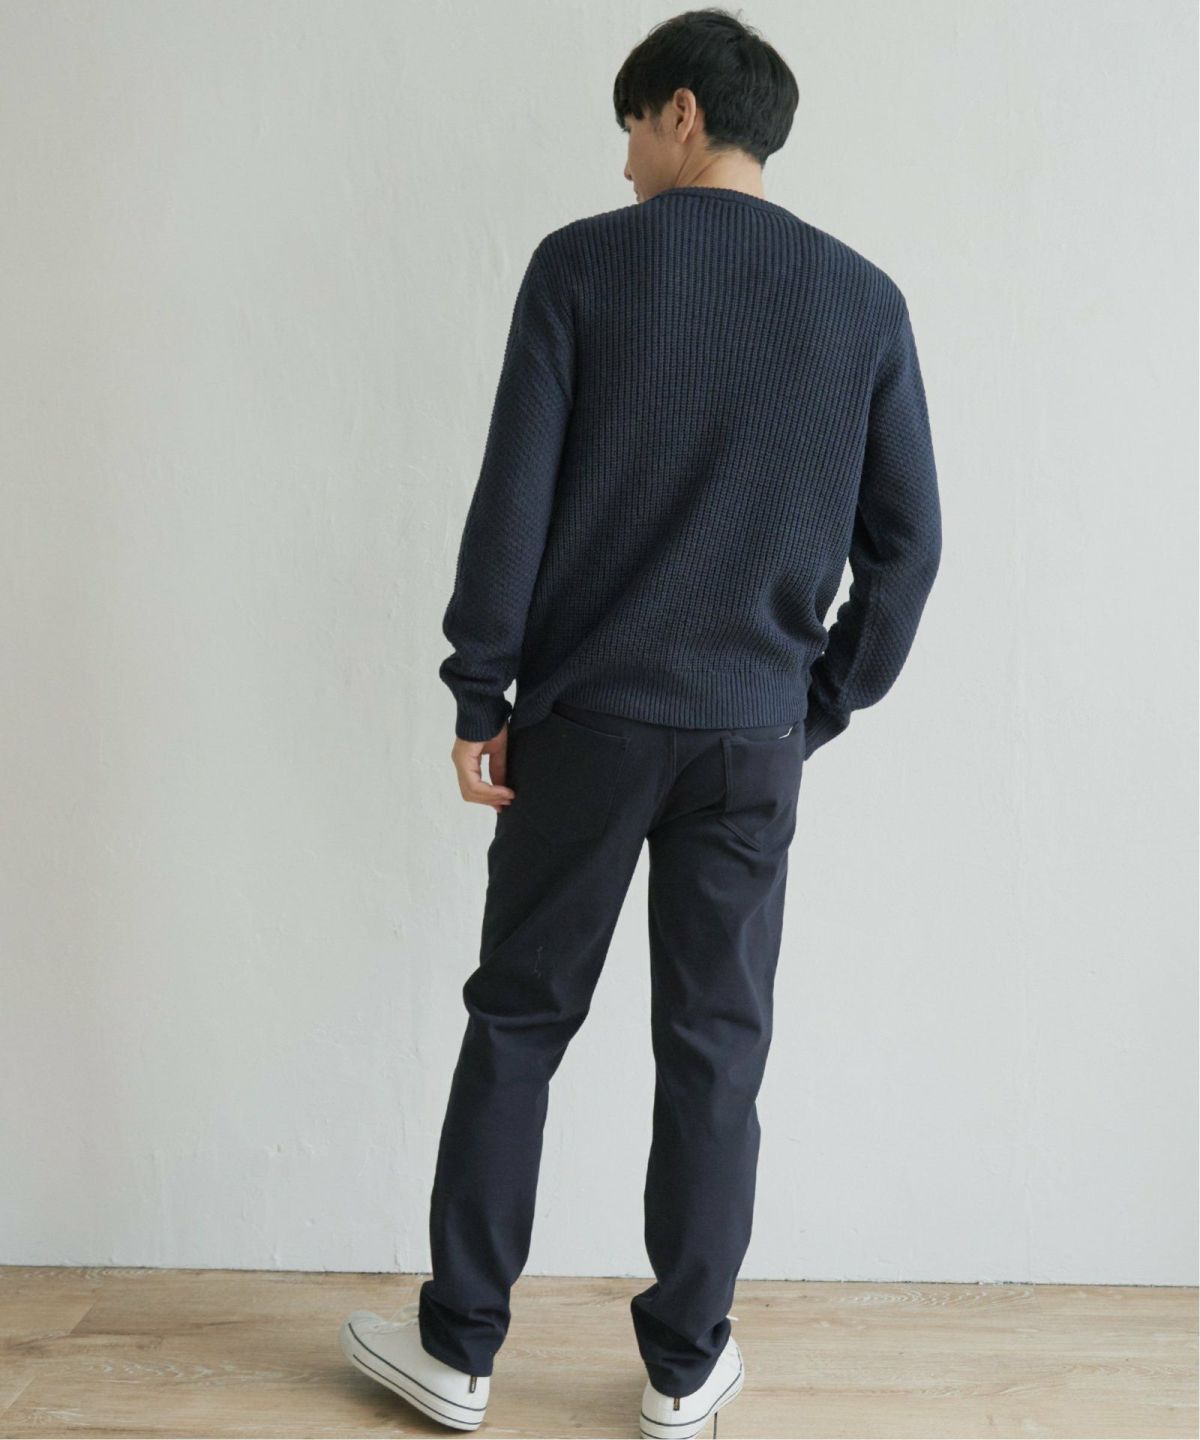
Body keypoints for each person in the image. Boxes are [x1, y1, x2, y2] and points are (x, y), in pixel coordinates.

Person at [339, 7, 942, 1436]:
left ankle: (459, 1351)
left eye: (629, 128)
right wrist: (813, 703)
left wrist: (480, 689)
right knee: (717, 1051)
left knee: (519, 1020)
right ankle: (684, 1369)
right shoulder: (864, 301)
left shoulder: (582, 266)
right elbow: (909, 550)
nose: (621, 164)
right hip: (751, 736)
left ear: (682, 112)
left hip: (588, 725)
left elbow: (515, 500)